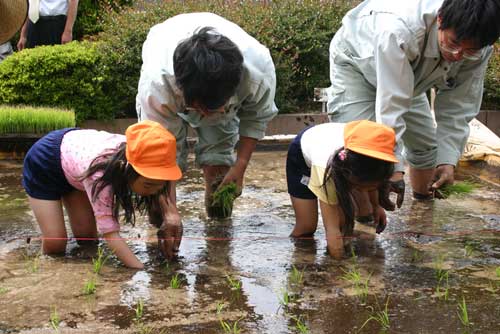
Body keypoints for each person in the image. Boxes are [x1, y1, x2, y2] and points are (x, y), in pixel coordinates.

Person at [327, 0, 500, 209]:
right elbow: (392, 105)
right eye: (453, 43)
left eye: (469, 50)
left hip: (412, 77)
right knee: (362, 155)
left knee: (427, 150)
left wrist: (447, 161)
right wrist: (394, 169)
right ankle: (364, 225)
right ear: (440, 19)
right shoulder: (399, 29)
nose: (457, 56)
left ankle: (422, 215)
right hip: (357, 65)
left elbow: (458, 107)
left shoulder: (479, 50)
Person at [136, 12, 278, 219]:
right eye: (199, 107)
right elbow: (161, 155)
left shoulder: (258, 71)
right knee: (157, 178)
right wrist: (170, 212)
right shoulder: (158, 82)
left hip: (220, 88)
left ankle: (219, 227)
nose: (204, 116)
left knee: (219, 166)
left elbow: (256, 118)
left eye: (212, 108)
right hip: (168, 72)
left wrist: (240, 166)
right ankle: (164, 231)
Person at [22, 120, 183, 269]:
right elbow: (110, 233)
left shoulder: (154, 157)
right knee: (55, 242)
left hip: (75, 166)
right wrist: (140, 268)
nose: (155, 191)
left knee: (87, 237)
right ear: (127, 170)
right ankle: (41, 269)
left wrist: (170, 216)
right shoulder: (100, 175)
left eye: (160, 185)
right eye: (149, 185)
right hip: (44, 164)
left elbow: (160, 184)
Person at [286, 120, 398, 259]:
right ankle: (299, 260)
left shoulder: (372, 159)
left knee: (345, 223)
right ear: (349, 175)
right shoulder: (326, 168)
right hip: (303, 155)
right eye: (361, 187)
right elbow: (332, 230)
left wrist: (377, 206)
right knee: (307, 227)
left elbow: (373, 180)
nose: (367, 190)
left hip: (346, 151)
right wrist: (338, 265)